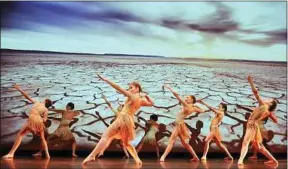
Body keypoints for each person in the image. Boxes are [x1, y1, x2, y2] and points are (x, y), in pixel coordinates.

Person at [82, 74, 154, 165]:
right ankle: (137, 160)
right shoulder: (141, 99)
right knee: (126, 143)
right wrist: (146, 96)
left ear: (137, 88)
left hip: (123, 118)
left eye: (131, 87)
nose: (129, 89)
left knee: (105, 136)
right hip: (128, 120)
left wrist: (105, 79)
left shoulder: (133, 96)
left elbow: (118, 87)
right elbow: (152, 103)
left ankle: (92, 155)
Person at [2, 84, 52, 159]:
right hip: (39, 121)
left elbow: (26, 96)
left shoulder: (37, 103)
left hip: (32, 119)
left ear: (45, 101)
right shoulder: (46, 109)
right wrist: (40, 121)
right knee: (42, 138)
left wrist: (18, 88)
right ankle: (47, 155)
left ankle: (11, 153)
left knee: (20, 134)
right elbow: (44, 120)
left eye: (44, 99)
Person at [238, 76, 278, 165]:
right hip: (254, 126)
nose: (267, 99)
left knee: (245, 142)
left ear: (270, 103)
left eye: (269, 99)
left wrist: (250, 81)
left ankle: (240, 160)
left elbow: (256, 92)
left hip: (252, 126)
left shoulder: (263, 105)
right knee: (259, 147)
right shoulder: (267, 111)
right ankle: (274, 160)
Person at [159, 84, 204, 162]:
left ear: (191, 100)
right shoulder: (193, 108)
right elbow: (203, 110)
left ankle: (163, 157)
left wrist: (169, 87)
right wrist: (195, 104)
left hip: (179, 125)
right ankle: (195, 157)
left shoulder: (187, 105)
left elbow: (177, 95)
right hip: (180, 124)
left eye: (188, 97)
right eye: (186, 97)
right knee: (185, 144)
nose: (186, 98)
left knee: (171, 141)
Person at [97, 94, 129, 158]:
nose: (119, 106)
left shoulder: (118, 113)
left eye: (121, 106)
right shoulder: (125, 115)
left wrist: (105, 99)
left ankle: (101, 152)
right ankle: (127, 155)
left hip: (117, 130)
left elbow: (110, 105)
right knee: (121, 143)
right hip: (122, 131)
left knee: (109, 140)